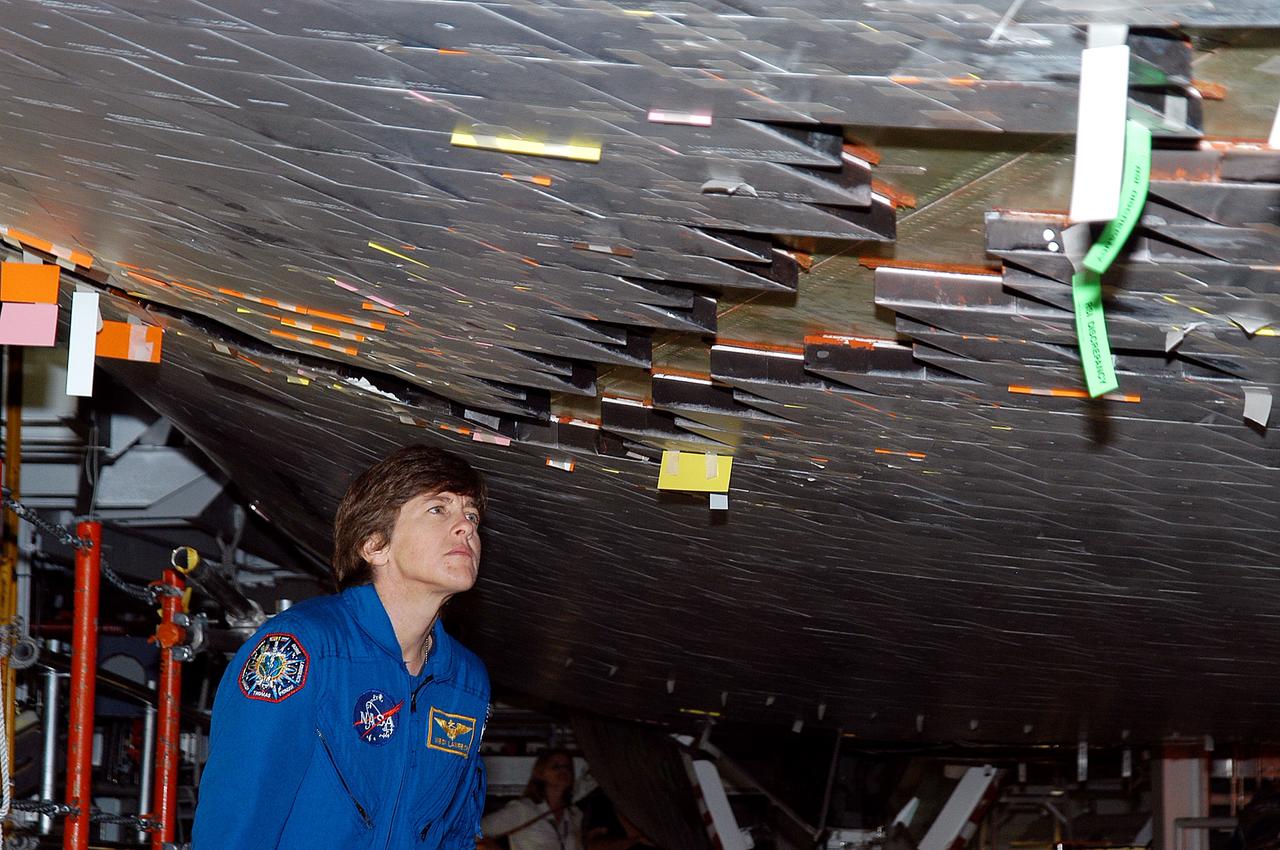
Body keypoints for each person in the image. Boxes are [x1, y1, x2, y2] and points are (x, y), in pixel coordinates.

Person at [193, 445, 491, 849]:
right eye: (439, 509)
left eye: (471, 514)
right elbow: (237, 821)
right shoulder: (301, 648)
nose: (466, 528)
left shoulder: (466, 683)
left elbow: (455, 832)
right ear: (375, 545)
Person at [479, 750, 584, 850]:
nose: (563, 770)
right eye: (556, 767)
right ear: (541, 773)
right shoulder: (523, 809)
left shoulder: (574, 814)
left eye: (568, 767)